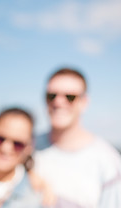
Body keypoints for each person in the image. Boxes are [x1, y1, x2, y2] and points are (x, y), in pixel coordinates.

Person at [34, 67, 121, 207]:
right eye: (52, 95)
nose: (58, 102)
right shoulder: (24, 147)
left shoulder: (109, 164)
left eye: (70, 97)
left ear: (84, 102)